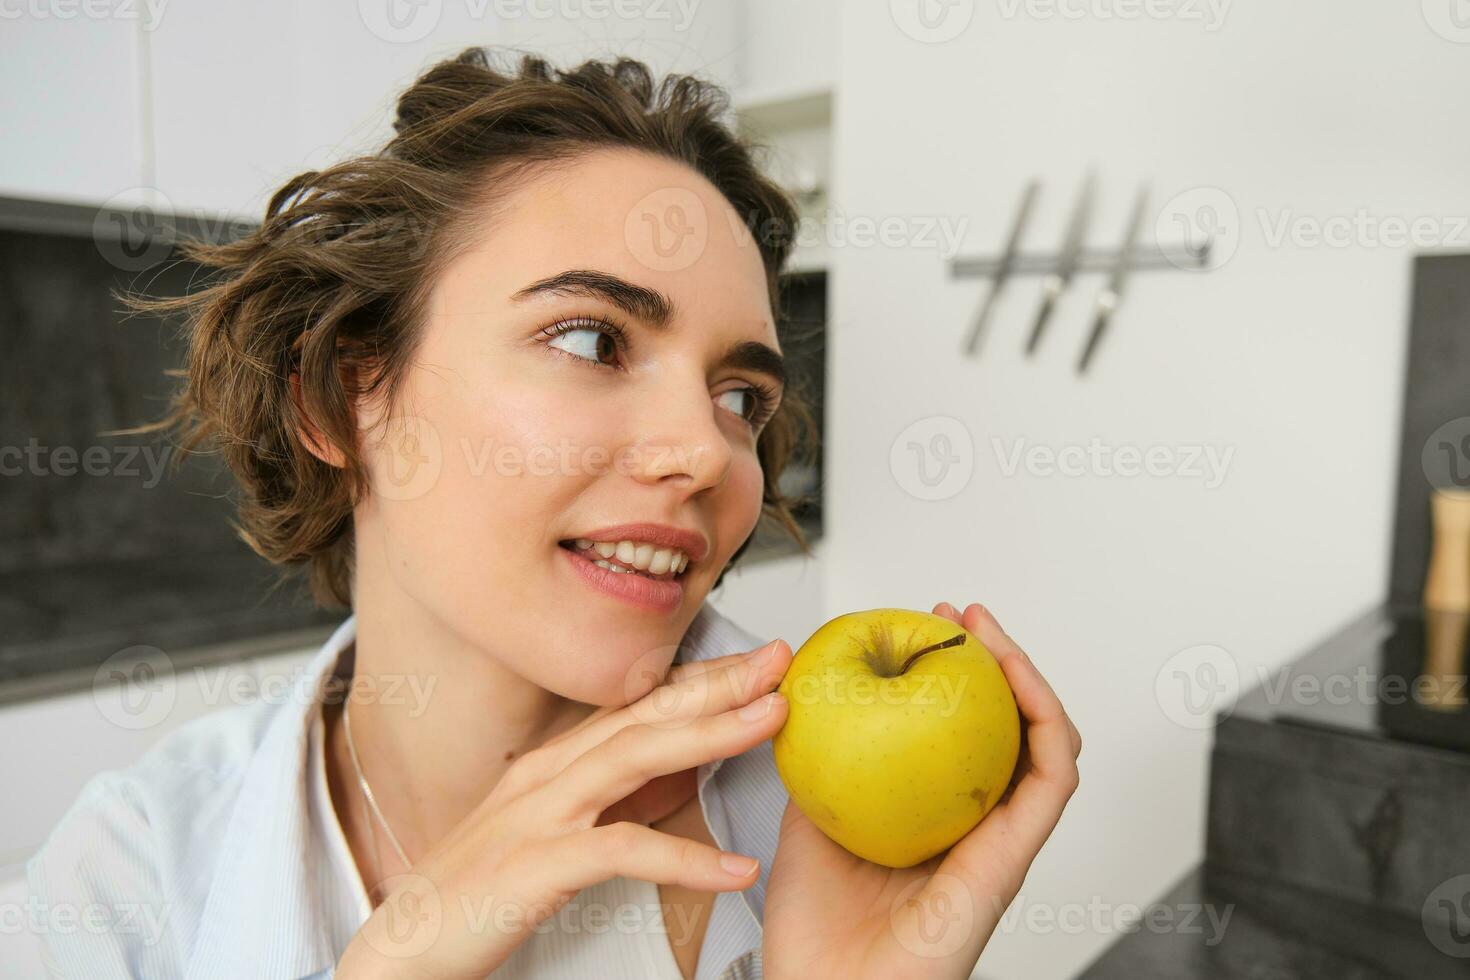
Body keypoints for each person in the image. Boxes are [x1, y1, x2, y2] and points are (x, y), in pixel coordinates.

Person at [26, 46, 1081, 979]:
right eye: (591, 339)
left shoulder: (830, 827)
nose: (705, 451)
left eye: (740, 398)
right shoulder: (125, 883)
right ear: (340, 399)